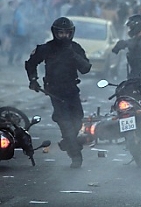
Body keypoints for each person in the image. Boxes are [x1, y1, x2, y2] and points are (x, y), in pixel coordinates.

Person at [25, 17, 92, 168]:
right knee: (65, 122)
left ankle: (68, 143)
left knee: (77, 119)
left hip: (72, 90)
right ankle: (75, 155)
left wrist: (72, 55)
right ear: (55, 33)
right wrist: (33, 80)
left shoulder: (75, 48)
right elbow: (31, 63)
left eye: (66, 33)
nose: (63, 36)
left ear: (71, 33)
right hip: (55, 91)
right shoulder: (47, 48)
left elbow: (86, 68)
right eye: (60, 33)